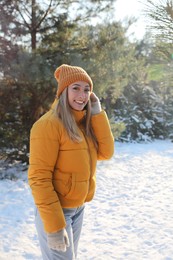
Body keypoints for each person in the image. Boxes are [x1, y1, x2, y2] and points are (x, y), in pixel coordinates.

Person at [28, 64, 114, 260]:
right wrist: (55, 226)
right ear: (63, 91)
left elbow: (106, 153)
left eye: (86, 89)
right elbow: (39, 178)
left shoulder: (83, 124)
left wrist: (98, 114)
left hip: (78, 208)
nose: (82, 95)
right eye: (75, 88)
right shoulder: (47, 125)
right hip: (57, 211)